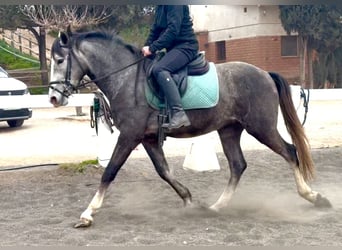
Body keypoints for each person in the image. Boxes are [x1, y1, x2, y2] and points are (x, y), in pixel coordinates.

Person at [142, 5, 199, 130]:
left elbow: (173, 30)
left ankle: (179, 112)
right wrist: (146, 47)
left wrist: (153, 48)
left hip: (186, 46)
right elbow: (155, 30)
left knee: (160, 69)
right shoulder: (160, 6)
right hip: (173, 49)